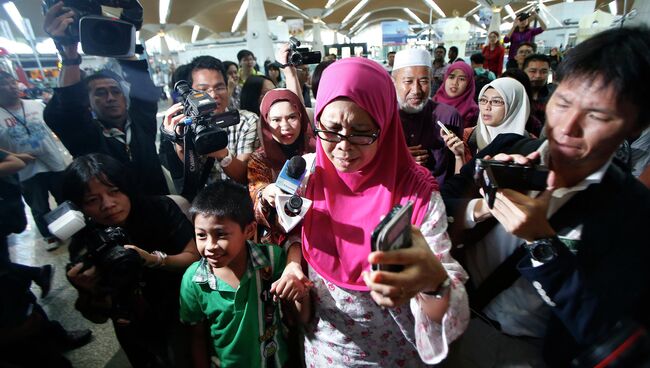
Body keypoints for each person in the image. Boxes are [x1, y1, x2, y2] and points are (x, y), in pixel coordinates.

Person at [441, 26, 650, 367]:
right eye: (563, 103)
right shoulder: (507, 149)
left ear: (634, 126)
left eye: (597, 115)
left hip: (530, 353)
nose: (567, 127)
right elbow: (437, 208)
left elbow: (604, 326)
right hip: (455, 320)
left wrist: (541, 243)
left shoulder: (633, 212)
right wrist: (482, 205)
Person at [300, 57, 469, 366]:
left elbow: (446, 290)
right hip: (326, 353)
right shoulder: (308, 176)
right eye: (332, 129)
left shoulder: (416, 195)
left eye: (362, 132)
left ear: (386, 124)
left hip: (398, 355)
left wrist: (433, 283)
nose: (344, 147)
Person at [62, 153, 200, 368]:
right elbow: (97, 318)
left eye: (114, 191)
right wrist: (88, 291)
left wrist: (153, 260)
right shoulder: (87, 242)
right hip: (134, 325)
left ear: (127, 187)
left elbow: (194, 257)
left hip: (181, 310)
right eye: (92, 200)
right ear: (79, 206)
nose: (107, 204)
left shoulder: (160, 209)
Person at [42, 3, 168, 197]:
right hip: (115, 219)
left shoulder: (142, 123)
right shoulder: (85, 136)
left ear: (125, 98)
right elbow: (68, 107)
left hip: (158, 209)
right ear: (88, 102)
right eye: (100, 93)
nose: (110, 98)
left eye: (115, 91)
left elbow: (144, 92)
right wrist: (69, 55)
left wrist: (125, 40)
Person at [179, 180, 307, 368]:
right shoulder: (193, 280)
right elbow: (197, 337)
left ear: (249, 230)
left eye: (221, 234)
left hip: (276, 362)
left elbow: (297, 315)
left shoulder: (272, 258)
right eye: (201, 235)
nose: (210, 246)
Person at [162, 56, 260, 191]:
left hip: (239, 201)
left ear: (227, 88)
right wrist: (180, 141)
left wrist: (222, 154)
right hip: (203, 204)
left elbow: (246, 176)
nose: (213, 95)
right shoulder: (183, 125)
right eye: (203, 90)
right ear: (189, 94)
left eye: (219, 87)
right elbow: (188, 181)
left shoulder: (246, 121)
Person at [0, 71, 68, 249]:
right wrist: (16, 157)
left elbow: (53, 126)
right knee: (39, 205)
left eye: (12, 82)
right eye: (5, 84)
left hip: (52, 160)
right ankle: (49, 235)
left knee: (64, 196)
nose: (12, 86)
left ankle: (70, 228)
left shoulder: (35, 105)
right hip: (25, 168)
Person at [247, 89, 315, 246]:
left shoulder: (318, 149)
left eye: (292, 117)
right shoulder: (259, 159)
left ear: (301, 117)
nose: (285, 126)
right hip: (278, 239)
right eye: (276, 120)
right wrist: (266, 194)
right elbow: (256, 192)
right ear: (266, 122)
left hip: (318, 227)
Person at [392, 48, 465, 183]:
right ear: (394, 82)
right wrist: (398, 160)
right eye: (408, 81)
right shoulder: (385, 117)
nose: (416, 90)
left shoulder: (448, 116)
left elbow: (457, 174)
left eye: (424, 81)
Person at [462, 78, 531, 163]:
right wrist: (459, 156)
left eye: (496, 101)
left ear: (514, 106)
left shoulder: (529, 143)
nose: (487, 107)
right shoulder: (468, 136)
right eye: (483, 100)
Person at [433, 62, 479, 128]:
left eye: (461, 79)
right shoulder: (434, 102)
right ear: (445, 78)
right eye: (451, 77)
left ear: (469, 84)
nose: (455, 83)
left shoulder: (473, 111)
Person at [523, 54, 555, 126]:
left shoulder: (554, 96)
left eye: (544, 72)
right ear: (523, 71)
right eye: (533, 71)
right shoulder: (517, 95)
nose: (538, 76)